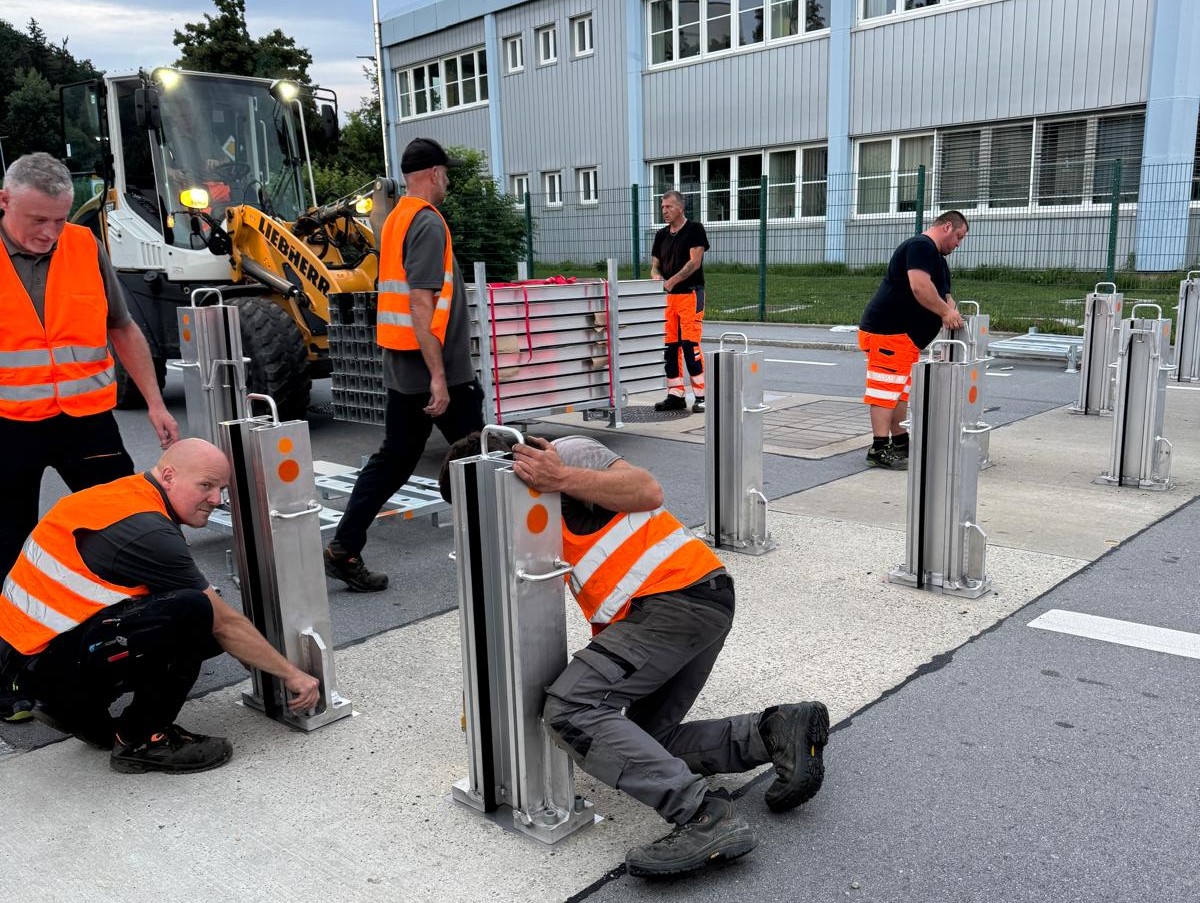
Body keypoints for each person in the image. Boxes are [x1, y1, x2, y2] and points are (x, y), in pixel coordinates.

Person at [439, 432, 829, 879]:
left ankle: (704, 816)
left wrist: (560, 476)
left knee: (569, 708)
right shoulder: (542, 514)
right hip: (687, 606)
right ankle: (772, 731)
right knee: (642, 746)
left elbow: (647, 490)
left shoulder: (566, 456)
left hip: (673, 600)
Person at [0, 438, 320, 773]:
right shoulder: (147, 530)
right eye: (206, 486)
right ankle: (141, 739)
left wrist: (253, 656)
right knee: (194, 614)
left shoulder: (127, 495)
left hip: (30, 656)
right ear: (168, 476)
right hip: (44, 664)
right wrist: (291, 675)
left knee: (195, 613)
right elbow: (222, 622)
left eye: (221, 489)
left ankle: (76, 711)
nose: (215, 499)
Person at [0, 153, 179, 620]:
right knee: (8, 538)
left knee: (126, 523)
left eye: (59, 219)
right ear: (4, 201)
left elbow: (122, 328)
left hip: (86, 424)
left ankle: (144, 622)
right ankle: (17, 644)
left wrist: (156, 404)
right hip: (9, 426)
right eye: (37, 219)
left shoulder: (83, 245)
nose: (49, 232)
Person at [323, 138, 485, 593]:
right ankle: (510, 544)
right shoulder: (428, 223)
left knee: (394, 460)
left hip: (402, 364)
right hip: (438, 372)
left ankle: (343, 547)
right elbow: (420, 302)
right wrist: (439, 376)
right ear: (433, 173)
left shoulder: (395, 219)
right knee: (486, 456)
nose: (449, 180)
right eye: (447, 173)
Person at [858, 211, 969, 469]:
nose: (958, 243)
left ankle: (899, 441)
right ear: (947, 226)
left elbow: (945, 294)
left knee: (899, 391)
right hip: (888, 332)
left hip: (904, 338)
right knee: (885, 390)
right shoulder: (921, 246)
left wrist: (952, 315)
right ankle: (879, 447)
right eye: (959, 237)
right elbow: (920, 286)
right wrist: (945, 313)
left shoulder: (937, 259)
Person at [650, 190, 710, 414]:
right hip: (669, 299)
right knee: (669, 346)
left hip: (690, 294)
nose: (664, 211)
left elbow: (695, 263)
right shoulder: (661, 235)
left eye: (669, 207)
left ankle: (701, 396)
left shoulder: (694, 229)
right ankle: (675, 394)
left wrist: (671, 281)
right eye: (662, 207)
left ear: (680, 208)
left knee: (689, 345)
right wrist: (656, 277)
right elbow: (655, 264)